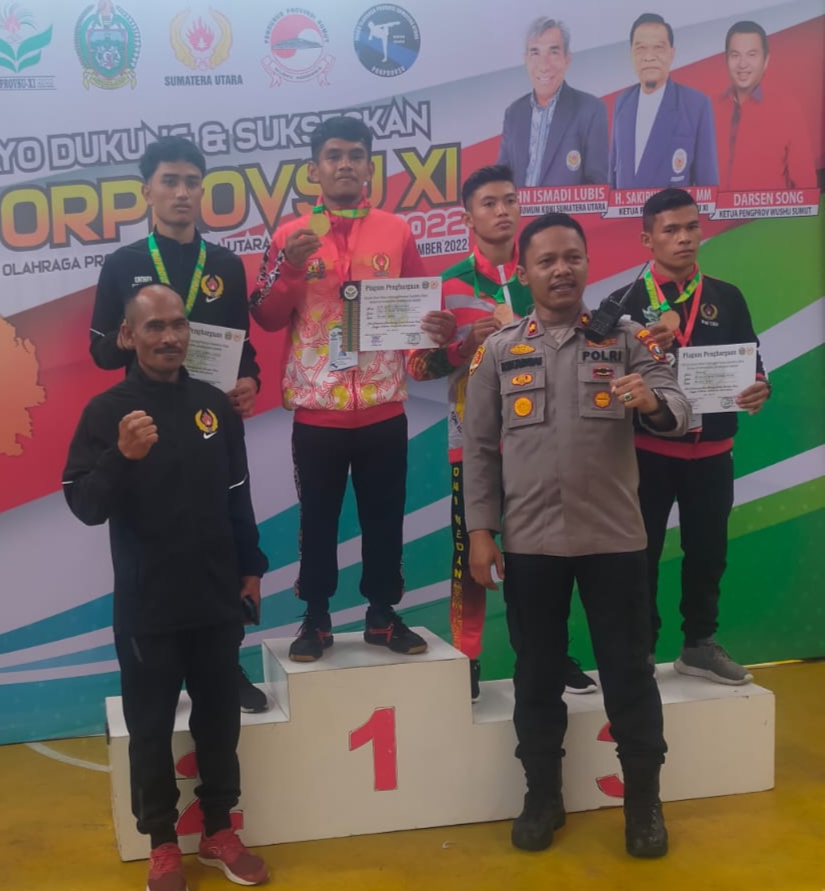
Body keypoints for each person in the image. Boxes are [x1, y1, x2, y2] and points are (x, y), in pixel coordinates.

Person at [463, 212, 691, 858]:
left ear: (587, 264)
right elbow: (478, 447)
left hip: (613, 539)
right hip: (530, 543)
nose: (560, 269)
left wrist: (650, 402)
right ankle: (542, 797)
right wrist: (480, 531)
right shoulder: (500, 350)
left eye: (571, 257)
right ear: (525, 272)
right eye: (546, 260)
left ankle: (643, 805)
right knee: (535, 675)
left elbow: (678, 408)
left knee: (629, 673)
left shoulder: (625, 339)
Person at [63, 284, 270, 890]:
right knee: (150, 728)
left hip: (215, 596)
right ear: (128, 336)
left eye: (178, 324)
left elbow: (238, 494)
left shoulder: (212, 406)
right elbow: (85, 506)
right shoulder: (106, 412)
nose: (170, 337)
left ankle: (218, 830)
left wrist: (251, 568)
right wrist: (121, 456)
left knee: (219, 721)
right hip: (147, 604)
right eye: (154, 327)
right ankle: (161, 842)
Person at [250, 115, 456, 662]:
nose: (345, 164)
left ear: (369, 166)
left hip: (384, 408)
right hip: (317, 411)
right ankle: (315, 617)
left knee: (384, 518)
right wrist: (290, 269)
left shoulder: (396, 231)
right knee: (317, 521)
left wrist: (436, 329)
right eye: (334, 155)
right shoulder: (290, 237)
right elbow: (266, 315)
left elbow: (422, 309)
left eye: (356, 155)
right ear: (314, 169)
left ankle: (382, 615)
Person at [89, 135, 268, 713]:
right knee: (159, 538)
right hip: (149, 424)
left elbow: (243, 349)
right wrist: (130, 339)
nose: (183, 193)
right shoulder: (123, 265)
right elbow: (99, 352)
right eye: (170, 181)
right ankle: (159, 673)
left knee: (221, 531)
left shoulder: (225, 266)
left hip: (213, 423)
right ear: (148, 190)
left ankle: (225, 664)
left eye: (192, 182)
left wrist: (249, 380)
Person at [406, 165, 596, 701]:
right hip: (475, 441)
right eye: (488, 203)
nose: (502, 210)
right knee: (471, 554)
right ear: (467, 217)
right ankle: (466, 659)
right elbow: (417, 368)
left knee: (549, 555)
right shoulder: (447, 286)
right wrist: (466, 346)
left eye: (509, 200)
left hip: (547, 437)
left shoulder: (546, 270)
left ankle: (550, 654)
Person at [615, 188, 770, 684]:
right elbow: (600, 376)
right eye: (671, 230)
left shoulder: (727, 296)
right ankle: (640, 650)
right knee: (640, 555)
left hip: (713, 453)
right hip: (647, 453)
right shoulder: (624, 303)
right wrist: (642, 343)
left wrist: (760, 386)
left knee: (708, 552)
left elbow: (753, 360)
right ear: (648, 239)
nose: (684, 238)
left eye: (691, 227)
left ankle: (698, 644)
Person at [610, 13, 718, 189]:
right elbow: (613, 177)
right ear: (631, 54)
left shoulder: (696, 105)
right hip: (626, 207)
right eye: (640, 48)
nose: (649, 57)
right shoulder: (622, 102)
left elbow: (708, 187)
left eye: (658, 48)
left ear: (671, 53)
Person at [497, 17, 609, 188]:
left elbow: (598, 186)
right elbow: (500, 182)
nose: (544, 65)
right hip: (520, 206)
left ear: (567, 59)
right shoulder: (514, 113)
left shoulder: (591, 110)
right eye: (535, 53)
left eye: (553, 52)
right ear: (525, 59)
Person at [713, 20, 817, 191]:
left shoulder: (787, 110)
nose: (743, 64)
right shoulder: (707, 109)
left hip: (767, 209)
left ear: (766, 60)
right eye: (735, 55)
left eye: (752, 54)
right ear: (726, 59)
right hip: (715, 208)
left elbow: (806, 186)